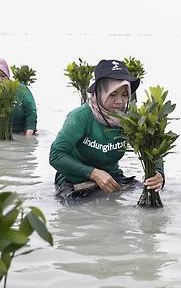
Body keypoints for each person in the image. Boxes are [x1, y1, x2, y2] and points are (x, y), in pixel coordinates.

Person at [49, 59, 164, 198]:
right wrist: (94, 173)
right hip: (74, 180)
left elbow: (151, 149)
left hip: (113, 178)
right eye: (113, 94)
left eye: (124, 94)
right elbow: (56, 155)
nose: (120, 101)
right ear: (99, 92)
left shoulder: (130, 119)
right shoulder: (80, 117)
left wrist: (158, 173)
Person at [0, 57, 37, 137]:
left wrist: (28, 137)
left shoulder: (21, 90)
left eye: (3, 76)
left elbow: (31, 114)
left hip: (22, 132)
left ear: (8, 77)